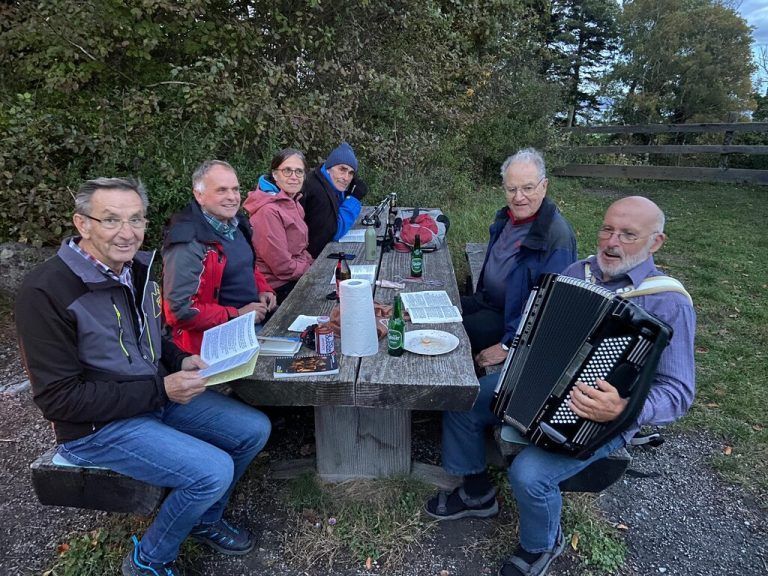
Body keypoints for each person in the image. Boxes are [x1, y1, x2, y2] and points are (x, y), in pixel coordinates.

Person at [425, 196, 696, 576]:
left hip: (601, 417)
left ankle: (541, 546)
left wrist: (623, 406)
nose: (612, 242)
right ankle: (476, 491)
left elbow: (678, 392)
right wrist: (515, 349)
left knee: (530, 475)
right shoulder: (577, 271)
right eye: (607, 229)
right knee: (464, 398)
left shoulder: (667, 302)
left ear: (656, 242)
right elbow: (538, 329)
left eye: (628, 234)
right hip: (536, 387)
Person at [15, 177, 272, 576]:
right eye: (111, 220)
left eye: (136, 220)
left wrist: (180, 359)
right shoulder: (45, 291)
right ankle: (149, 560)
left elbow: (154, 336)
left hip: (154, 399)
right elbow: (58, 400)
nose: (127, 232)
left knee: (253, 428)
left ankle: (203, 518)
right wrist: (161, 388)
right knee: (213, 470)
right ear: (82, 224)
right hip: (96, 429)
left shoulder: (137, 268)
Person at [462, 148, 577, 369]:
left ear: (544, 187)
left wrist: (508, 345)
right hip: (486, 302)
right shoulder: (506, 218)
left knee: (450, 331)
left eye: (528, 188)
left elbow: (551, 305)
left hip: (511, 321)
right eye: (511, 189)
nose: (518, 197)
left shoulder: (555, 235)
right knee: (440, 309)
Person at [163, 160, 277, 354]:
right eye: (221, 190)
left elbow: (246, 265)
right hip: (214, 344)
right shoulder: (187, 241)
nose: (232, 197)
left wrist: (263, 288)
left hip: (255, 324)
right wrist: (238, 315)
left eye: (235, 189)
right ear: (199, 195)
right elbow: (179, 311)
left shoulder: (236, 224)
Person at [244, 149, 314, 304]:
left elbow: (301, 249)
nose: (294, 177)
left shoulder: (292, 202)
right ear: (275, 175)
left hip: (296, 275)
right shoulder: (268, 211)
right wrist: (311, 269)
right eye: (287, 171)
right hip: (278, 288)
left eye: (299, 171)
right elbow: (282, 266)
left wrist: (311, 262)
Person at [300, 141, 369, 258]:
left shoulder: (325, 181)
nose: (346, 178)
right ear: (328, 168)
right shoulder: (318, 192)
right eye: (342, 169)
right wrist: (354, 199)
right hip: (309, 259)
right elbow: (334, 231)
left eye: (351, 173)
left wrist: (347, 193)